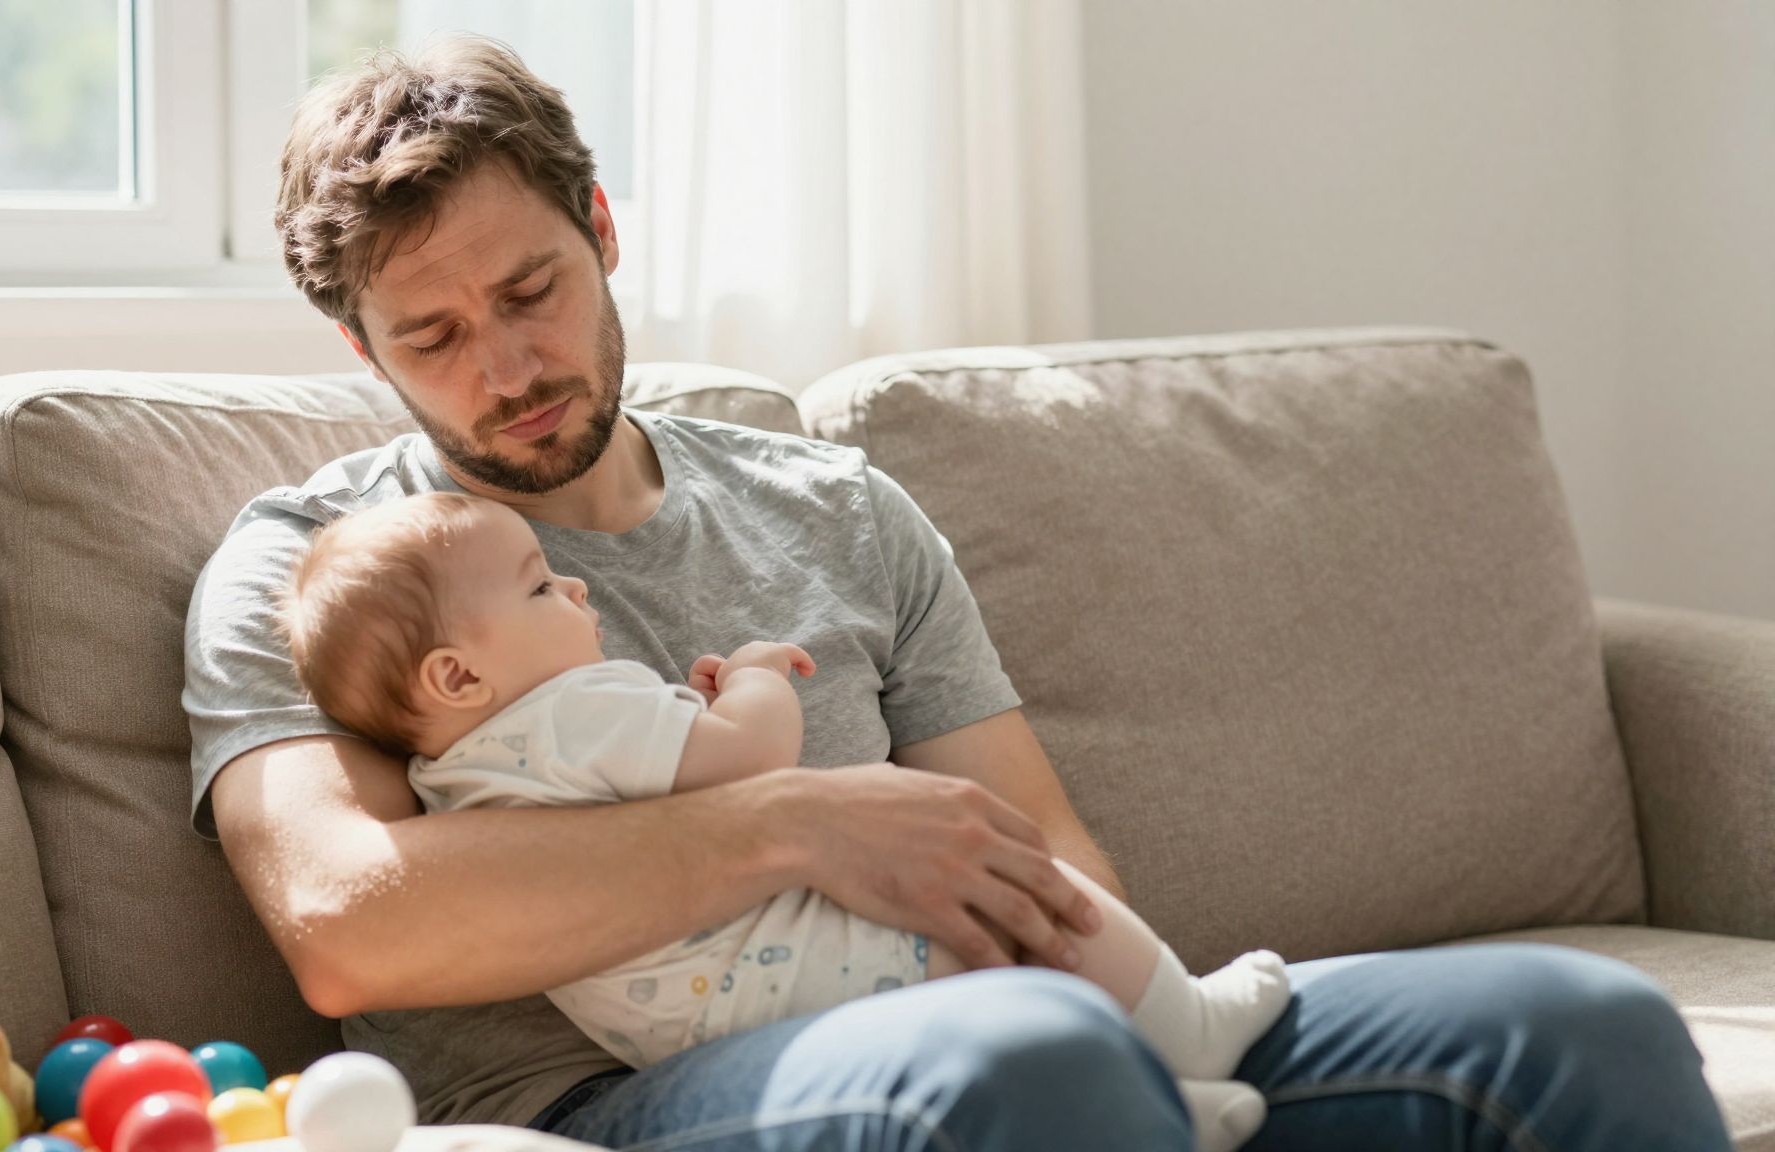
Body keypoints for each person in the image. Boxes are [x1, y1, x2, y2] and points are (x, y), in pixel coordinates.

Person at [182, 35, 1735, 1151]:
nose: (507, 366)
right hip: (611, 1098)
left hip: (1004, 1020)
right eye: (435, 336)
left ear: (601, 232)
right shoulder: (312, 570)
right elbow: (346, 927)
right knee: (1028, 1060)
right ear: (361, 351)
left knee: (1575, 1027)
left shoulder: (836, 510)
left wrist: (1131, 1001)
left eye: (530, 292)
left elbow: (1043, 839)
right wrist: (794, 818)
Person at [272, 490, 1295, 1151]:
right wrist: (755, 678)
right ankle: (1185, 1034)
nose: (574, 587)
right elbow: (745, 755)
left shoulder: (455, 779)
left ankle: (1160, 1102)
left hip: (694, 1019)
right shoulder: (576, 709)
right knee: (1034, 916)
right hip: (784, 985)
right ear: (457, 671)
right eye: (541, 585)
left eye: (527, 290)